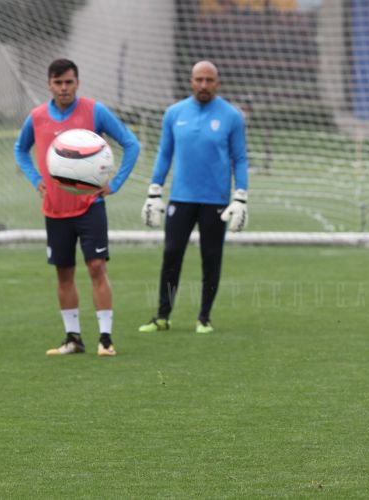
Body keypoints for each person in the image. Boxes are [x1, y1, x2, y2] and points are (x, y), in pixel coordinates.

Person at [14, 58, 141, 356]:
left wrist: (116, 182)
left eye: (69, 82)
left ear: (77, 83)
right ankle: (73, 338)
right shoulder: (37, 116)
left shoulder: (94, 110)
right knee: (64, 273)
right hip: (55, 209)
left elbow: (131, 143)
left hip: (90, 207)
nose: (64, 88)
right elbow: (20, 149)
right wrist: (35, 178)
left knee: (97, 267)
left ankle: (106, 338)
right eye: (58, 83)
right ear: (49, 84)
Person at [138, 60, 248, 334]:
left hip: (216, 201)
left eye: (209, 80)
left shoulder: (231, 116)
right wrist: (155, 189)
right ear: (191, 81)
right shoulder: (174, 113)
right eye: (199, 79)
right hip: (181, 198)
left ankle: (204, 318)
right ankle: (163, 316)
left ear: (217, 83)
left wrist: (240, 196)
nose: (203, 85)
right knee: (172, 254)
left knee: (211, 258)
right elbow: (165, 153)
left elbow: (240, 158)